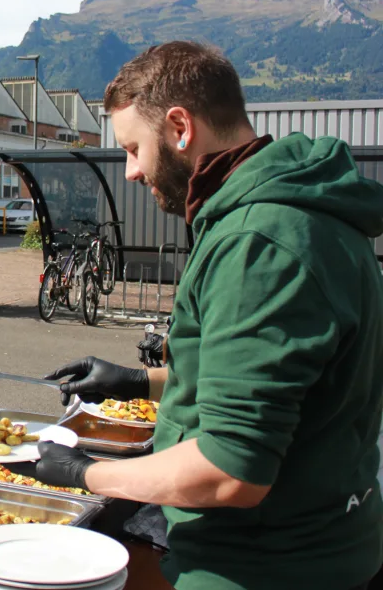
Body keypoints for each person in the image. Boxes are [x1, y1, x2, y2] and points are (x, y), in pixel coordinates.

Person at [34, 41, 383, 590]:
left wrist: (86, 474)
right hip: (311, 546)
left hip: (262, 566)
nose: (129, 171)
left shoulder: (259, 241)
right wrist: (139, 381)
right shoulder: (295, 211)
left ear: (179, 126)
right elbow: (276, 381)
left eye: (133, 148)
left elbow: (229, 472)